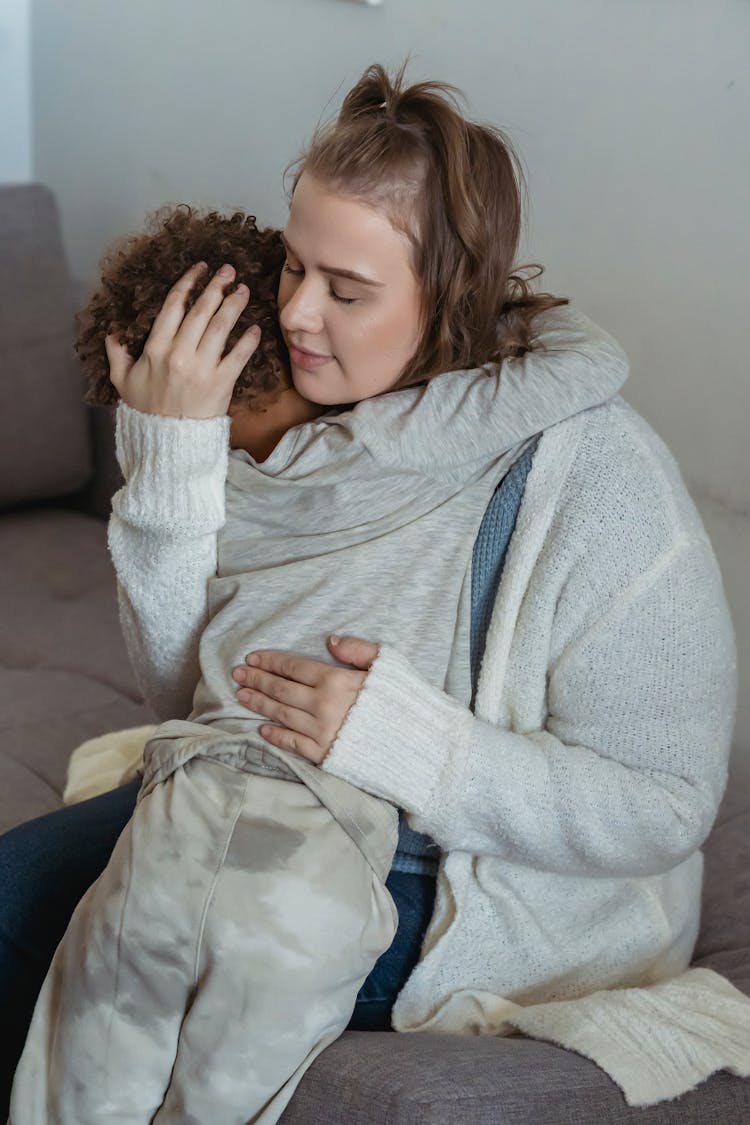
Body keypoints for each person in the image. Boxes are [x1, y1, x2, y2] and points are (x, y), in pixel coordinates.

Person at [1, 60, 742, 1119]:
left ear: (454, 299)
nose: (295, 313)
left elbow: (665, 806)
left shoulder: (596, 480)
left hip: (468, 881)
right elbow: (186, 700)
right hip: (249, 792)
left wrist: (407, 742)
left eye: (347, 291)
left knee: (157, 950)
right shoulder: (302, 431)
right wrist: (169, 455)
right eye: (294, 265)